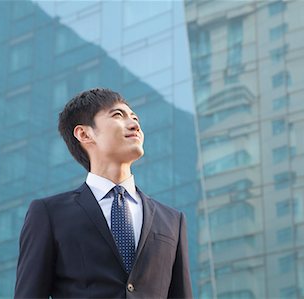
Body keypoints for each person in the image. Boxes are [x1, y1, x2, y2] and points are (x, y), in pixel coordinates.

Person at [15, 88, 192, 299]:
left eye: (135, 118)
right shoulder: (48, 214)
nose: (135, 124)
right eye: (118, 115)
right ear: (84, 133)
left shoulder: (172, 220)